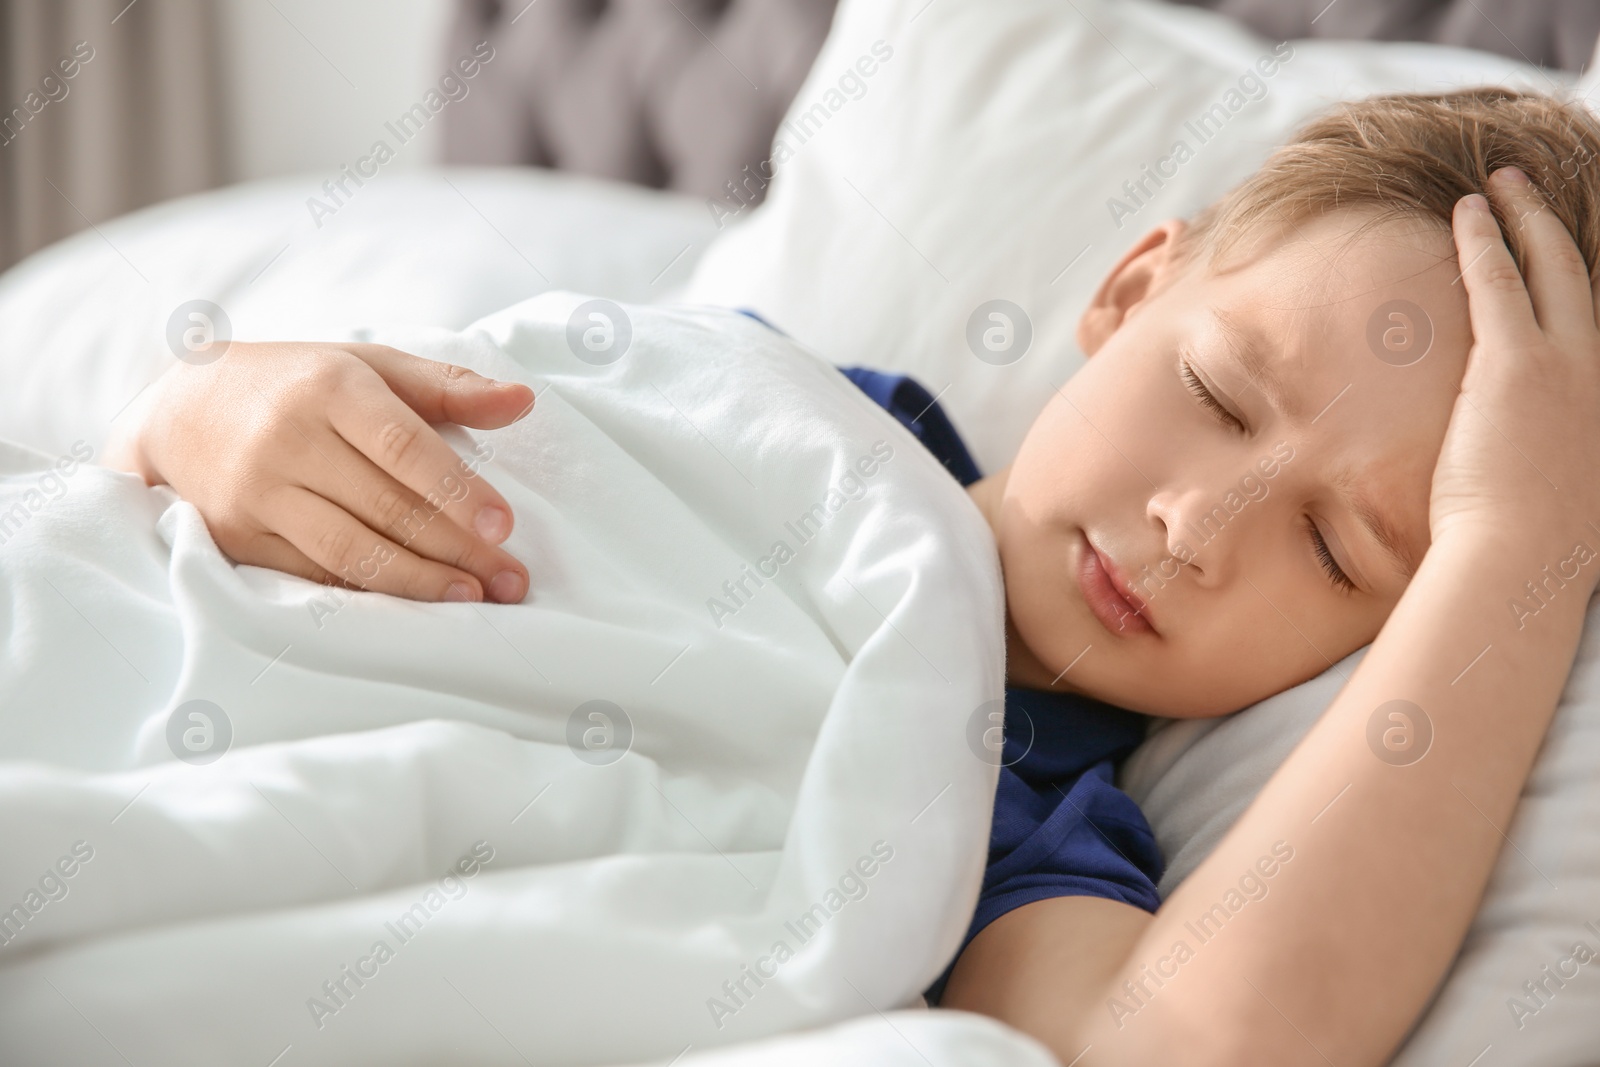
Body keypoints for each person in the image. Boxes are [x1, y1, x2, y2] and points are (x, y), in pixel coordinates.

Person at [103, 88, 1600, 1065]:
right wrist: (210, 409)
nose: (1199, 528)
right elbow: (179, 514)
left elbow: (1191, 1046)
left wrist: (1516, 554)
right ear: (1132, 288)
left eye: (1339, 554)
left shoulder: (1021, 824)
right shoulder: (753, 399)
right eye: (1216, 393)